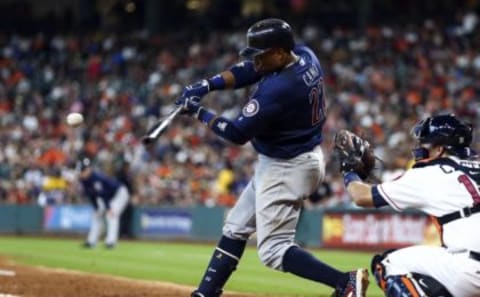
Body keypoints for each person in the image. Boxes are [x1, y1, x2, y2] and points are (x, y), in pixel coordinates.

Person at [175, 18, 369, 297]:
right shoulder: (304, 55)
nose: (255, 63)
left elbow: (237, 133)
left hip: (287, 167)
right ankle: (206, 293)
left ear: (278, 52)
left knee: (273, 250)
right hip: (293, 159)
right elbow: (247, 71)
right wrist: (207, 85)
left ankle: (346, 283)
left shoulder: (279, 89)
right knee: (236, 226)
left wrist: (198, 112)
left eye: (260, 56)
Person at [340, 114, 480, 297]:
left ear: (439, 149)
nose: (419, 148)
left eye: (424, 143)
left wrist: (349, 171)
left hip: (470, 270)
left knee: (388, 263)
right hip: (468, 264)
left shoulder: (428, 173)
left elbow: (361, 196)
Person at [78, 157, 130, 249]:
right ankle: (91, 241)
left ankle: (111, 242)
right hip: (108, 197)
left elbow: (103, 194)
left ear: (89, 169)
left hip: (120, 193)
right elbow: (92, 195)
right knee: (96, 215)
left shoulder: (96, 177)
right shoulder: (84, 180)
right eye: (82, 170)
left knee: (111, 215)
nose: (83, 172)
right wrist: (96, 208)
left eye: (84, 170)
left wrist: (109, 208)